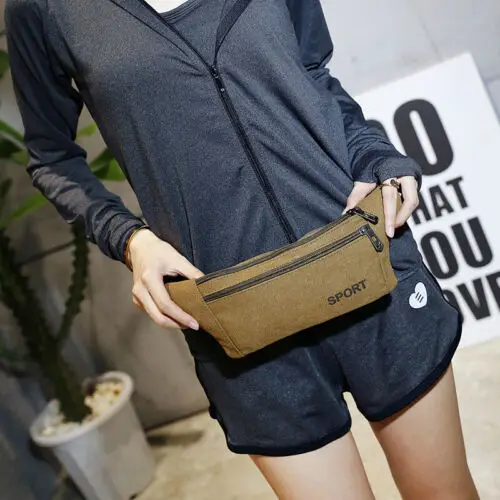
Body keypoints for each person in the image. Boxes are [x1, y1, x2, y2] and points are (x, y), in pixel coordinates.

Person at [5, 0, 479, 497]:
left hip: (365, 259)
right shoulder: (45, 8)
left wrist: (377, 156)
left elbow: (313, 74)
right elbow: (52, 158)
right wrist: (131, 240)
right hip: (239, 321)